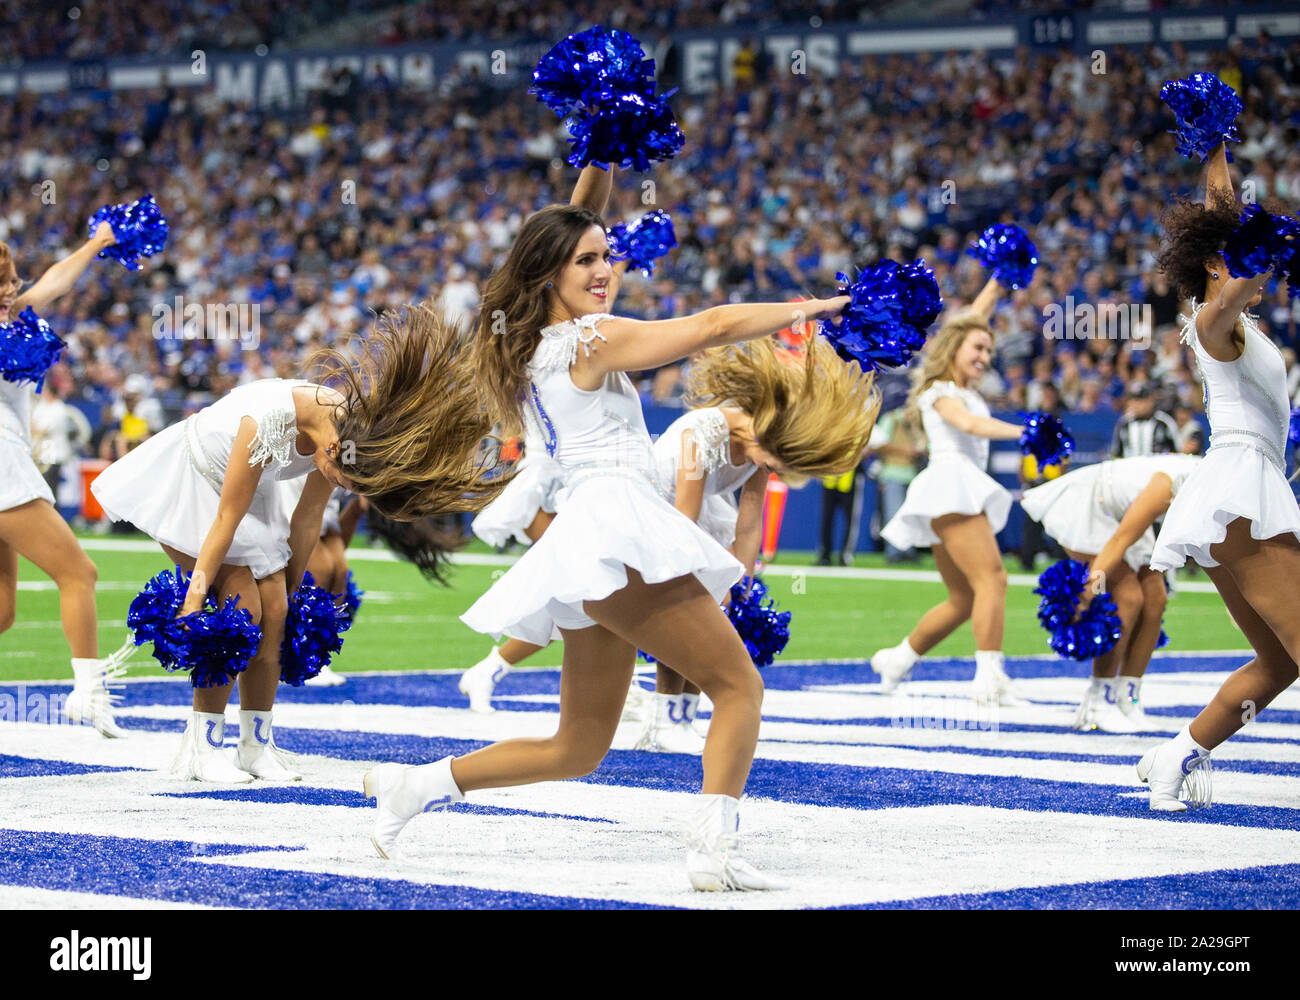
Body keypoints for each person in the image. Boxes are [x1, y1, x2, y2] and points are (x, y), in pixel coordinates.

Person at [363, 198, 850, 890]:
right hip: (616, 526)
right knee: (738, 687)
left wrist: (604, 144)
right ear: (548, 273)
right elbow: (711, 325)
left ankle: (414, 788)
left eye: (605, 255)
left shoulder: (529, 345)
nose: (604, 269)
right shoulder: (590, 340)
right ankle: (712, 853)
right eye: (585, 260)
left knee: (578, 746)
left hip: (591, 537)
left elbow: (572, 213)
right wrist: (815, 308)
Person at [92, 305, 501, 783]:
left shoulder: (348, 440)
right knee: (240, 602)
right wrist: (196, 594)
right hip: (199, 482)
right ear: (331, 448)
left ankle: (255, 746)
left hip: (257, 491)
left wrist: (289, 590)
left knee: (275, 609)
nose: (339, 482)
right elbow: (226, 517)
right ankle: (202, 749)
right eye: (340, 475)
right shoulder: (266, 423)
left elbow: (307, 520)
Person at [1137, 142, 1300, 811]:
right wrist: (1249, 254)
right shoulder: (1211, 322)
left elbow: (1223, 222)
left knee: (1280, 664)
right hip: (1242, 495)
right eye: (1244, 260)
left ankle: (1175, 758)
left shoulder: (1242, 323)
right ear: (1214, 265)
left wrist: (1214, 145)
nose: (1261, 275)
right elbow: (1229, 281)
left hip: (1237, 496)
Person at [638, 337, 878, 753]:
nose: (770, 470)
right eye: (775, 464)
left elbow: (749, 526)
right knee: (686, 610)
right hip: (662, 511)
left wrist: (740, 585)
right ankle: (662, 720)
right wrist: (711, 584)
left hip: (703, 513)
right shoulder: (701, 436)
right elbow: (684, 524)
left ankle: (680, 721)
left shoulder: (763, 448)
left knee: (715, 612)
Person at [0, 222, 133, 737]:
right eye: (3, 283)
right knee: (80, 573)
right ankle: (89, 693)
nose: (12, 290)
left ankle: (88, 692)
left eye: (12, 281)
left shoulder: (13, 321)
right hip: (5, 468)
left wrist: (97, 244)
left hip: (11, 464)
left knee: (5, 612)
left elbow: (52, 283)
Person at [870, 276, 1025, 705]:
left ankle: (897, 659)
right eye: (977, 348)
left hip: (953, 489)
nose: (985, 356)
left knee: (963, 598)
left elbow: (975, 319)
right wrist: (1026, 431)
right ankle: (989, 680)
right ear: (954, 348)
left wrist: (997, 279)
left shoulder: (961, 387)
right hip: (950, 485)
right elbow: (971, 425)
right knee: (993, 579)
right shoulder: (939, 392)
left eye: (989, 350)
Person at [1021, 454, 1201, 731]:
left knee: (1155, 599)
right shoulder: (1173, 481)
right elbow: (1120, 541)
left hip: (1123, 514)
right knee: (1128, 596)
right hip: (1093, 504)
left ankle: (1127, 698)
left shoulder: (1211, 487)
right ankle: (1096, 702)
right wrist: (1087, 593)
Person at [1110, 383, 1179, 457]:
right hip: (1130, 466)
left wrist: (1164, 457)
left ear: (1151, 401)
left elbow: (1175, 452)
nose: (1136, 405)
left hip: (1157, 467)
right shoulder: (1123, 423)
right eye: (1134, 400)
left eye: (1141, 401)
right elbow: (1117, 453)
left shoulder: (1164, 422)